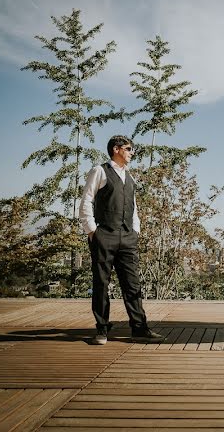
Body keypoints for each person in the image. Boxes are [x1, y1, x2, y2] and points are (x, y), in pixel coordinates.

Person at [78, 135, 163, 345]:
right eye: (129, 148)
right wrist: (92, 231)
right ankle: (102, 329)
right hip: (103, 235)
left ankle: (139, 329)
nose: (132, 152)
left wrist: (136, 230)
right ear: (116, 149)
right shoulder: (100, 171)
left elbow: (133, 207)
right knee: (101, 284)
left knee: (132, 284)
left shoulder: (129, 177)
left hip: (127, 237)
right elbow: (86, 200)